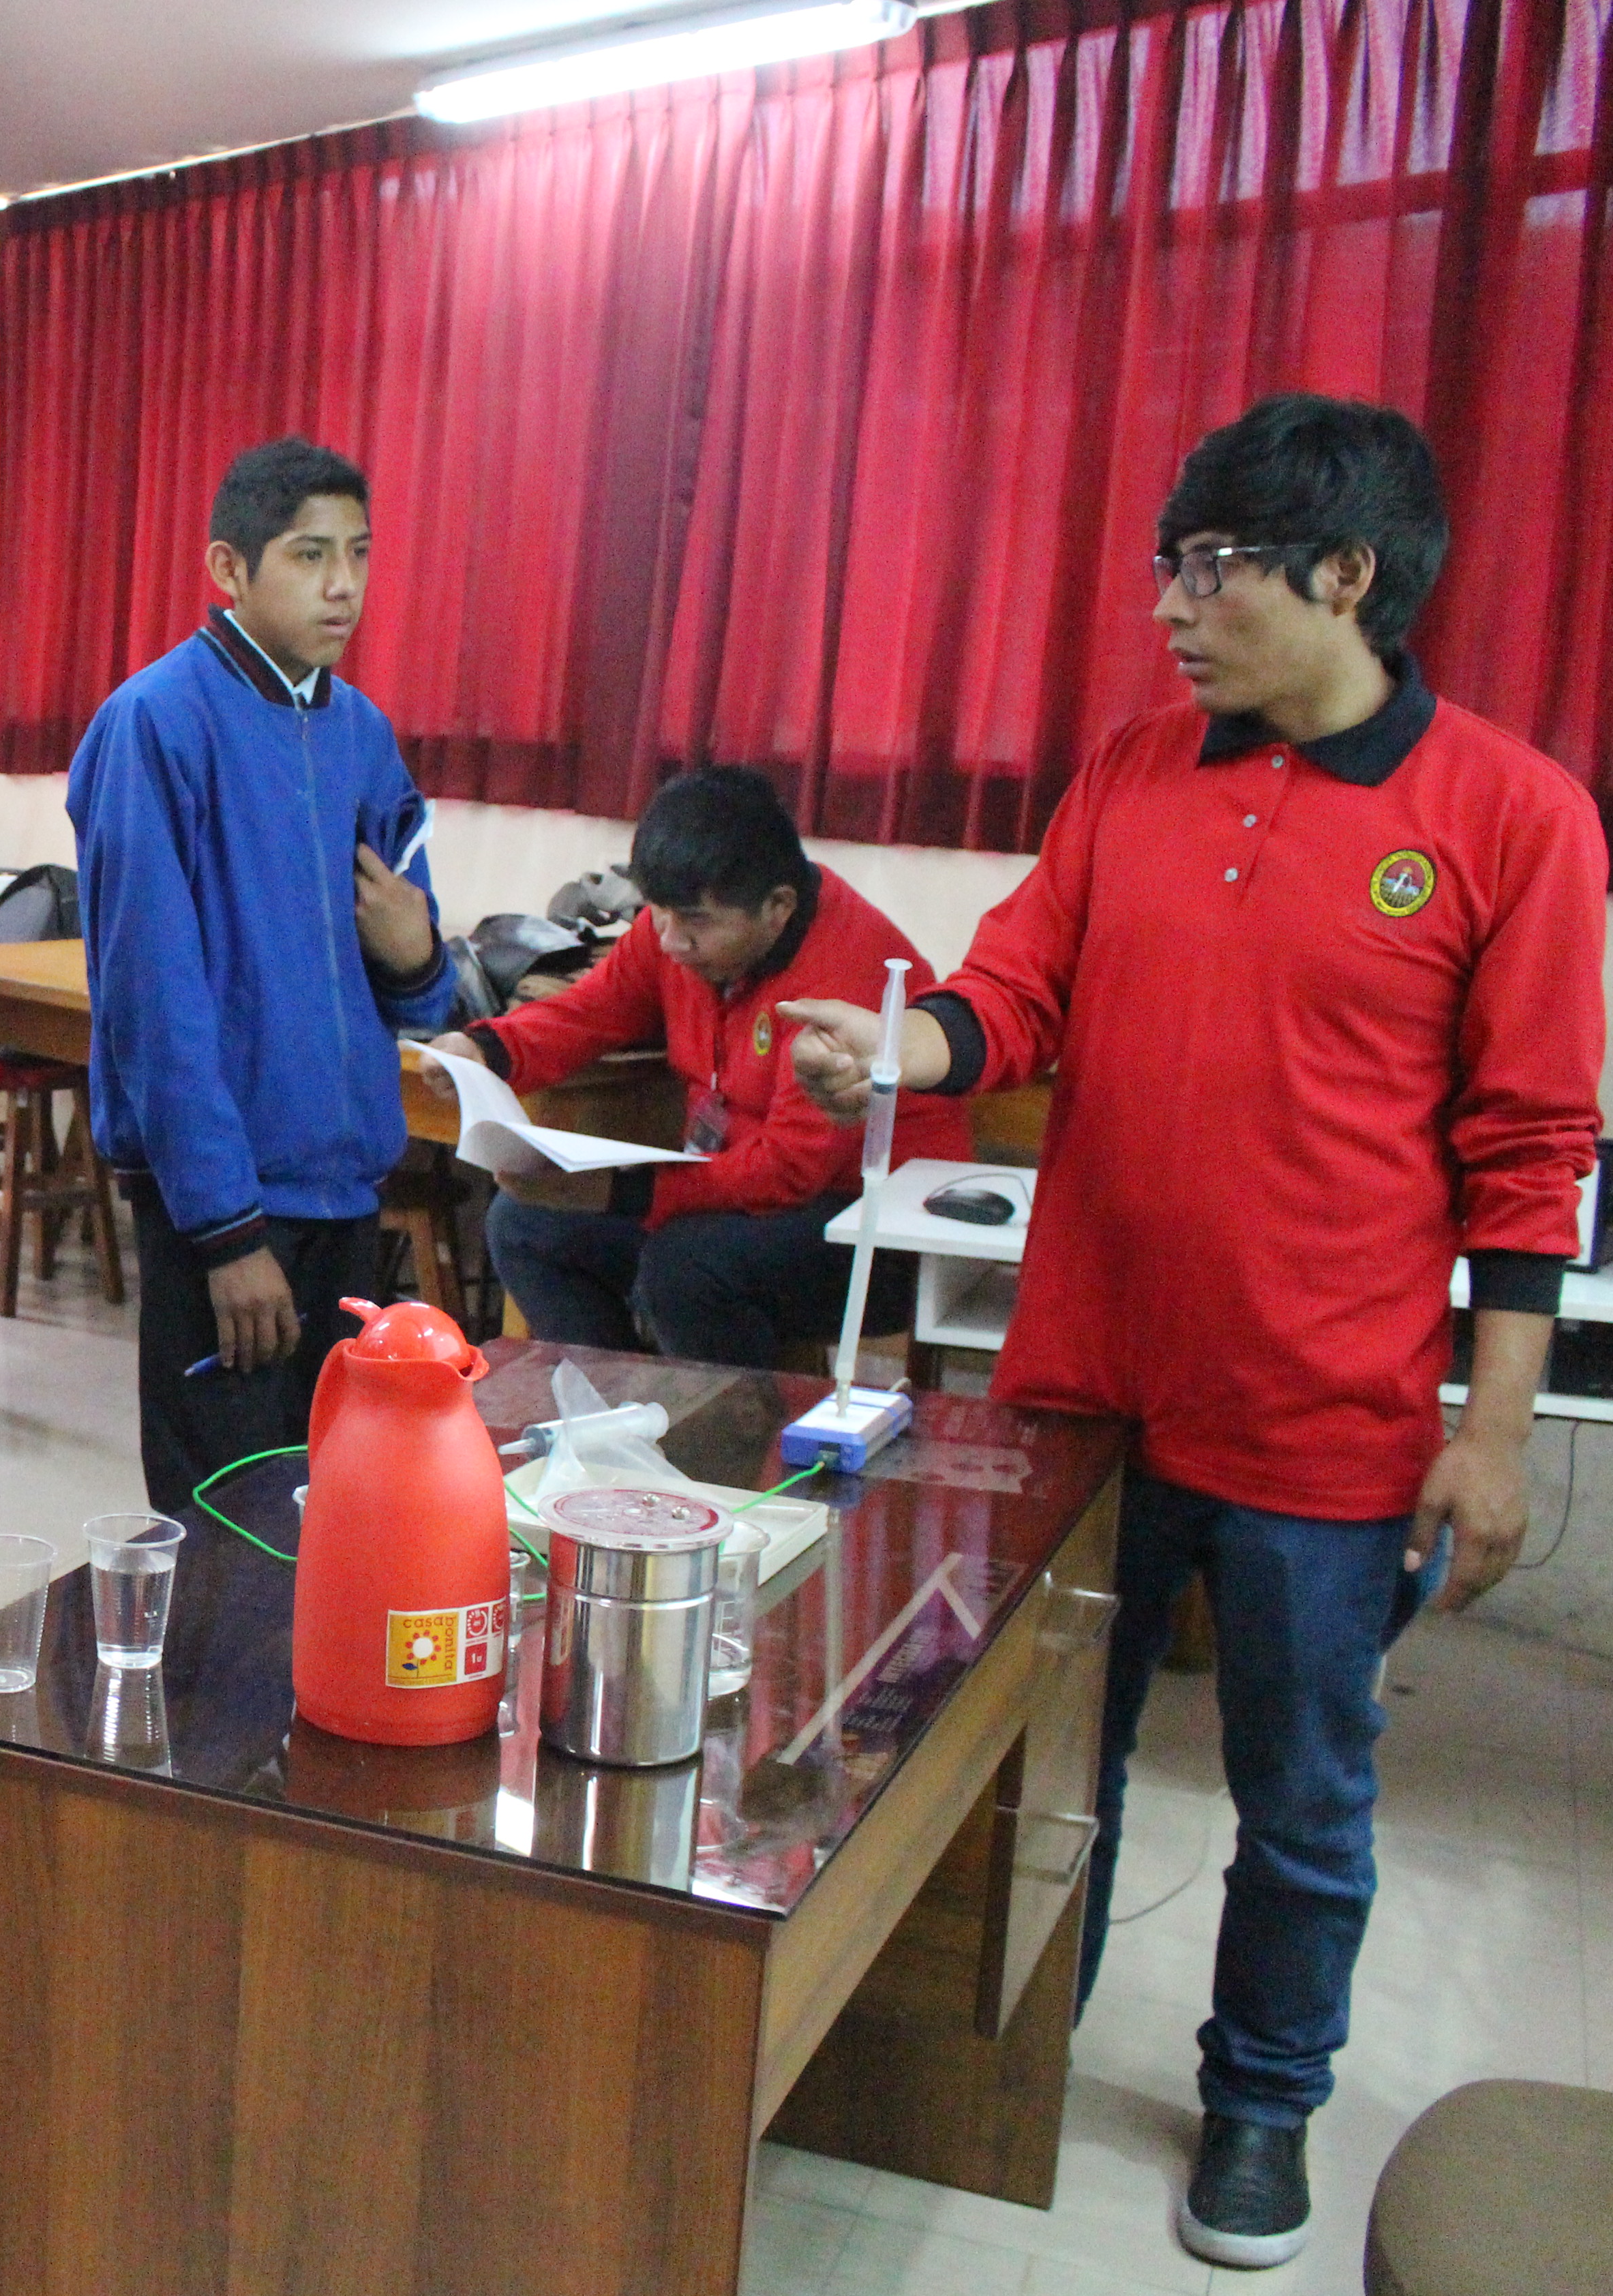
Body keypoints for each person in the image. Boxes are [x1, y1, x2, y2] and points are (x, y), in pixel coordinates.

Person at [783, 395, 1604, 2271]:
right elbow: (1016, 989)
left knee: (1300, 1797)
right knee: (1019, 1749)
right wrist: (897, 1045)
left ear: (1347, 575)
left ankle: (1262, 2100)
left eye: (1212, 566)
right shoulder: (1134, 771)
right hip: (1082, 1388)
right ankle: (1005, 2043)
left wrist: (1489, 1436)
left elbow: (1529, 1156)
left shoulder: (1509, 816)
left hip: (1322, 1422)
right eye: (1167, 562)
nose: (1167, 604)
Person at [66, 437, 455, 1513]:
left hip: (345, 1196)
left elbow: (419, 982)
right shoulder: (156, 723)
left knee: (330, 1510)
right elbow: (154, 1007)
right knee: (224, 1527)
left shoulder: (363, 734)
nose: (344, 586)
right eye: (310, 555)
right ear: (230, 569)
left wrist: (421, 956)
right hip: (226, 1213)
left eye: (360, 554)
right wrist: (226, 1233)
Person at [426, 764, 974, 1368]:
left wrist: (620, 1192)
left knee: (687, 1268)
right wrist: (486, 1051)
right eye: (658, 912)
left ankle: (735, 1429)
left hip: (871, 1228)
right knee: (523, 1224)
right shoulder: (673, 930)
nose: (669, 940)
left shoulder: (846, 977)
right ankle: (612, 1410)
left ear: (778, 907)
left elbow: (786, 1173)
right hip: (726, 1200)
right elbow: (591, 1012)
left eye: (695, 922)